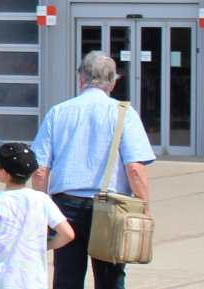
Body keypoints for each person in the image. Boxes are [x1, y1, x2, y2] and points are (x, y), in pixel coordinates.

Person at [31, 51, 155, 289]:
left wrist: (42, 210)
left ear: (81, 79)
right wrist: (144, 208)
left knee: (67, 278)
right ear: (113, 81)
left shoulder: (58, 112)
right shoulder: (124, 113)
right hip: (112, 207)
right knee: (110, 279)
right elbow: (135, 169)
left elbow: (39, 170)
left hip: (65, 206)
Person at [0, 140, 76, 289]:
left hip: (0, 281)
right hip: (33, 281)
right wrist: (45, 245)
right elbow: (68, 234)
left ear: (4, 173)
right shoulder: (42, 200)